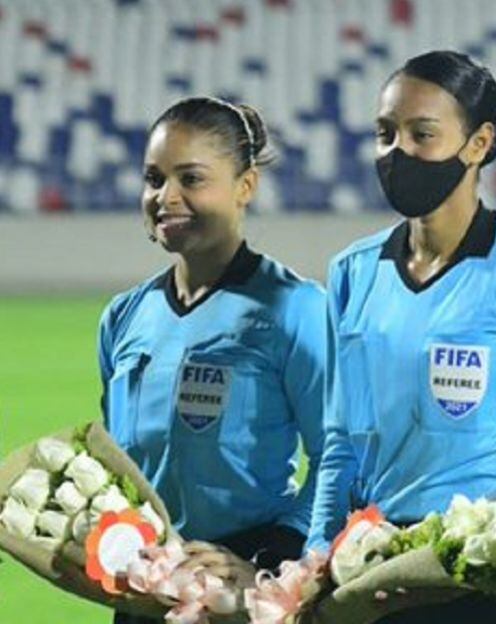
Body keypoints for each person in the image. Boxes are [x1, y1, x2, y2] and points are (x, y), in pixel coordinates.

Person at [307, 51, 496, 623]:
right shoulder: (351, 272)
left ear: (478, 143)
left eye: (422, 134)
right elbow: (340, 443)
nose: (399, 151)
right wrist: (318, 553)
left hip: (494, 577)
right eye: (385, 133)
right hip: (381, 574)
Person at [98, 97, 327, 622]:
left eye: (191, 179)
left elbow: (342, 462)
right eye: (153, 178)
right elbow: (118, 468)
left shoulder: (297, 309)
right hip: (144, 592)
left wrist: (270, 562)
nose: (165, 197)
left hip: (242, 594)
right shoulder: (123, 317)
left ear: (246, 186)